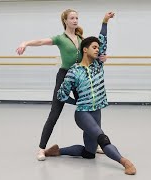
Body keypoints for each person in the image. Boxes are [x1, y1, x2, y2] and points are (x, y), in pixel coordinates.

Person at [16, 9, 115, 161]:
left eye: (77, 18)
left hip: (80, 77)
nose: (75, 20)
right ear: (65, 21)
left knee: (91, 108)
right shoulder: (60, 39)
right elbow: (42, 42)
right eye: (72, 18)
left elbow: (95, 50)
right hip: (65, 77)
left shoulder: (82, 38)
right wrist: (25, 43)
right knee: (54, 114)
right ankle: (42, 149)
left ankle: (95, 144)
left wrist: (102, 58)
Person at [43, 36, 136, 175]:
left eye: (98, 48)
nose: (98, 50)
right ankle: (125, 162)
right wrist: (76, 102)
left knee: (89, 153)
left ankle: (57, 151)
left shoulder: (98, 65)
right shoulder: (74, 71)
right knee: (102, 138)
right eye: (94, 47)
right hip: (83, 114)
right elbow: (61, 95)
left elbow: (103, 41)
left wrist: (105, 22)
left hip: (96, 111)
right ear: (85, 50)